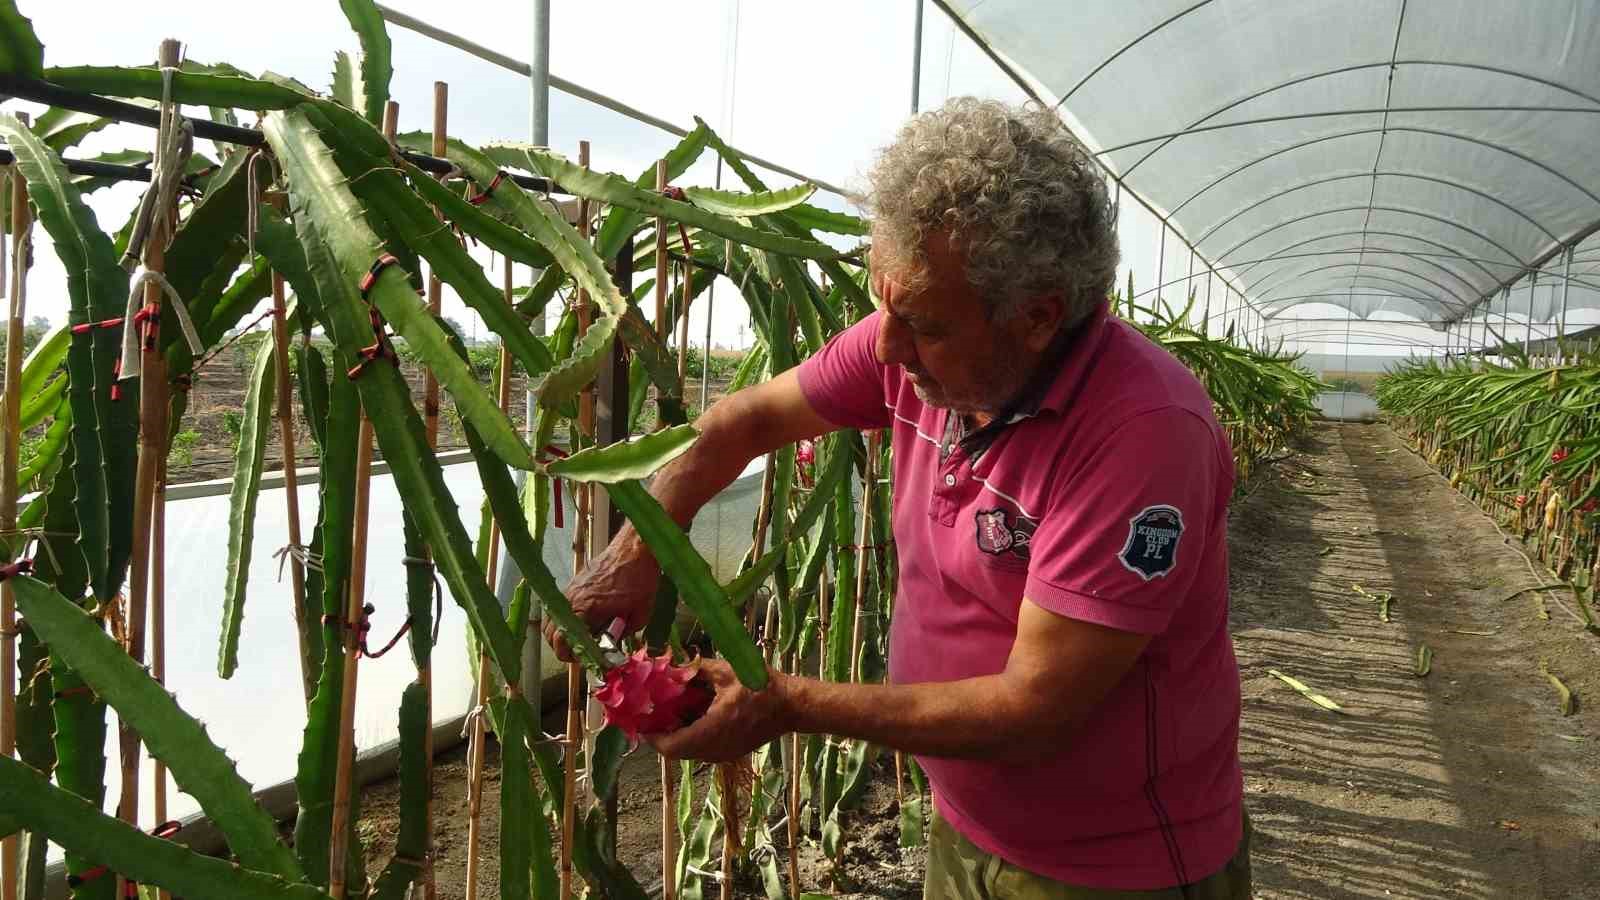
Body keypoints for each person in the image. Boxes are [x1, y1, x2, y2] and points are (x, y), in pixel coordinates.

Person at [548, 98, 1250, 899]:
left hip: (1114, 867)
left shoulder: (1142, 432)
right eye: (885, 304)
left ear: (1038, 316)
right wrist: (641, 549)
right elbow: (741, 420)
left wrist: (785, 704)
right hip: (967, 825)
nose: (884, 345)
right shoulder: (912, 346)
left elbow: (1036, 709)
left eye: (920, 322)